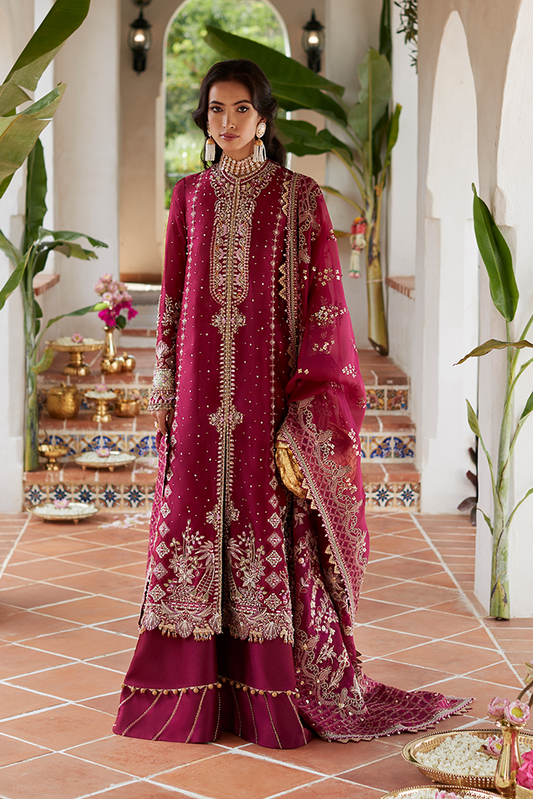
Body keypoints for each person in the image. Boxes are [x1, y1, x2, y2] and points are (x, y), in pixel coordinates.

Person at [114, 59, 471, 748]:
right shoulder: (188, 197)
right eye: (215, 110)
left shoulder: (299, 199)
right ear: (204, 119)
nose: (226, 122)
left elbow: (323, 311)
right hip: (196, 403)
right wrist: (162, 387)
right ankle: (186, 692)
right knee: (189, 526)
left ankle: (261, 696)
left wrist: (302, 415)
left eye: (240, 109)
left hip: (265, 403)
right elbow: (173, 301)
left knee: (261, 529)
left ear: (264, 118)